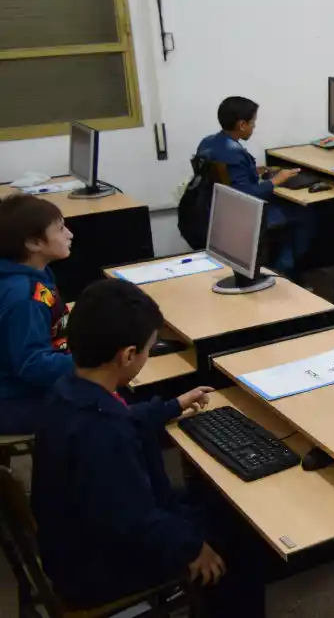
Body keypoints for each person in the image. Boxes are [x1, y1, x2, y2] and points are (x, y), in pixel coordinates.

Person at [31, 279, 265, 617]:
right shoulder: (103, 433)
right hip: (99, 569)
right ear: (127, 355)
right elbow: (135, 521)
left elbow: (122, 419)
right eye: (147, 350)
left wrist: (170, 407)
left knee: (213, 506)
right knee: (240, 538)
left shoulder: (68, 392)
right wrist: (193, 549)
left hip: (73, 543)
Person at [196, 96, 314, 279]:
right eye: (253, 122)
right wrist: (276, 180)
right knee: (305, 212)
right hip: (245, 216)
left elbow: (232, 178)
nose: (254, 127)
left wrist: (259, 171)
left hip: (218, 214)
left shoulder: (208, 143)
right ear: (242, 124)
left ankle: (284, 267)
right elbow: (245, 196)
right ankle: (285, 270)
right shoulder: (235, 154)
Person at [0, 194, 74, 434]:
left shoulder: (31, 276)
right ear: (34, 243)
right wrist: (90, 361)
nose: (69, 234)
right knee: (106, 404)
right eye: (61, 229)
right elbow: (32, 365)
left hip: (18, 389)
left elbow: (51, 312)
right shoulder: (24, 297)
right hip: (13, 402)